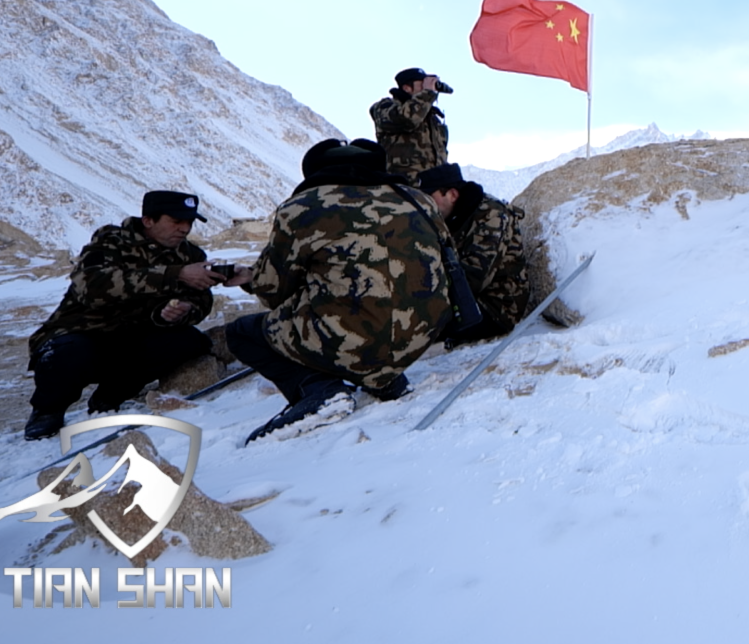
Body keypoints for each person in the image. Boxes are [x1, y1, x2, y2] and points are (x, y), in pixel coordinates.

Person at [225, 139, 456, 441]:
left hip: (361, 338)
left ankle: (320, 390)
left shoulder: (303, 207)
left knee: (242, 333)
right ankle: (382, 378)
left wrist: (252, 278)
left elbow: (273, 291)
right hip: (421, 334)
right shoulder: (417, 200)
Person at [23, 191, 227, 440]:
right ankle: (47, 411)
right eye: (176, 221)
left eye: (188, 222)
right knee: (66, 353)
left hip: (136, 336)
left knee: (189, 341)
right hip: (85, 332)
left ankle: (112, 396)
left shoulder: (190, 255)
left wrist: (176, 313)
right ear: (149, 220)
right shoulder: (111, 242)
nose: (184, 229)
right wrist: (173, 274)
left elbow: (201, 300)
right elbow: (91, 287)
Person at [416, 163, 534, 343]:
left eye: (429, 198)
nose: (425, 206)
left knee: (414, 325)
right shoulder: (446, 217)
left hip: (496, 307)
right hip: (461, 299)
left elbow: (474, 277)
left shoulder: (492, 215)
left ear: (453, 195)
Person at [370, 67, 450, 178]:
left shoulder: (432, 119)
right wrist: (427, 93)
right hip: (404, 184)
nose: (427, 87)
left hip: (433, 187)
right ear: (407, 88)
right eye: (423, 83)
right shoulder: (385, 107)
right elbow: (407, 119)